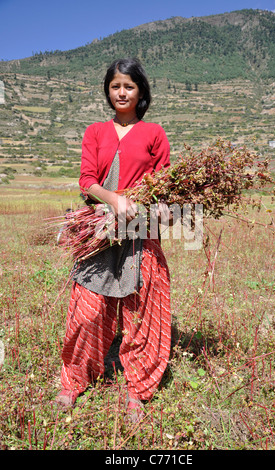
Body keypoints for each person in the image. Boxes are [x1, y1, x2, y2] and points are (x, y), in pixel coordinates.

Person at [55, 58, 172, 423]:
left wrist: (164, 209)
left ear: (141, 92)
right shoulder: (95, 132)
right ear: (108, 91)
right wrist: (115, 200)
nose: (121, 92)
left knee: (140, 312)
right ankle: (75, 379)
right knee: (88, 311)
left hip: (140, 229)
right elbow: (86, 179)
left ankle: (136, 388)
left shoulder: (154, 132)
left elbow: (164, 182)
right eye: (115, 86)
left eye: (129, 86)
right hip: (99, 227)